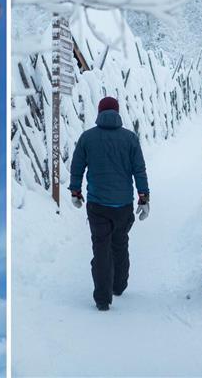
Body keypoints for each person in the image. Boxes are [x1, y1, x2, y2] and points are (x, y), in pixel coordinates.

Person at [69, 96, 149, 311]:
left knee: (101, 248)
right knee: (120, 243)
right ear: (117, 112)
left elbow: (77, 168)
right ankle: (119, 285)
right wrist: (144, 197)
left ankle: (102, 299)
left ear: (99, 112)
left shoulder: (87, 138)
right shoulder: (130, 138)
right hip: (123, 203)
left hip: (97, 204)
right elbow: (139, 170)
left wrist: (75, 192)